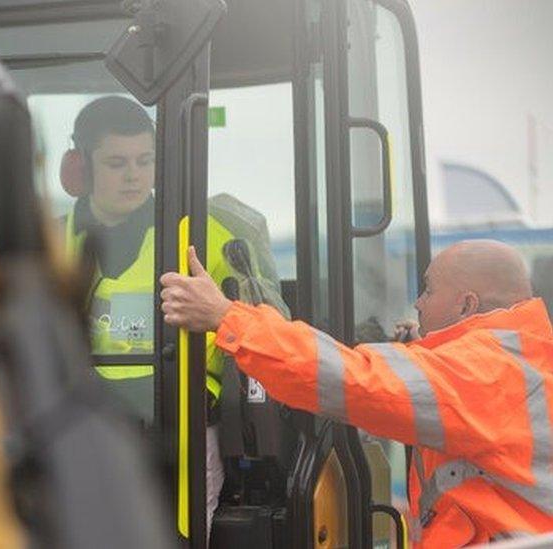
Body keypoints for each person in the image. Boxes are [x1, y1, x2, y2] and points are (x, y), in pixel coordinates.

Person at [160, 239, 553, 546]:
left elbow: (353, 381)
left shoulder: (484, 372)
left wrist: (227, 318)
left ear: (467, 304)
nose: (418, 302)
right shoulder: (521, 357)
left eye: (428, 290)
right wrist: (423, 352)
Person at [60, 95, 282, 529]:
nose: (133, 175)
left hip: (180, 429)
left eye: (144, 160)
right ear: (81, 168)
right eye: (117, 163)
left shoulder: (205, 238)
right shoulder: (47, 247)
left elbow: (258, 329)